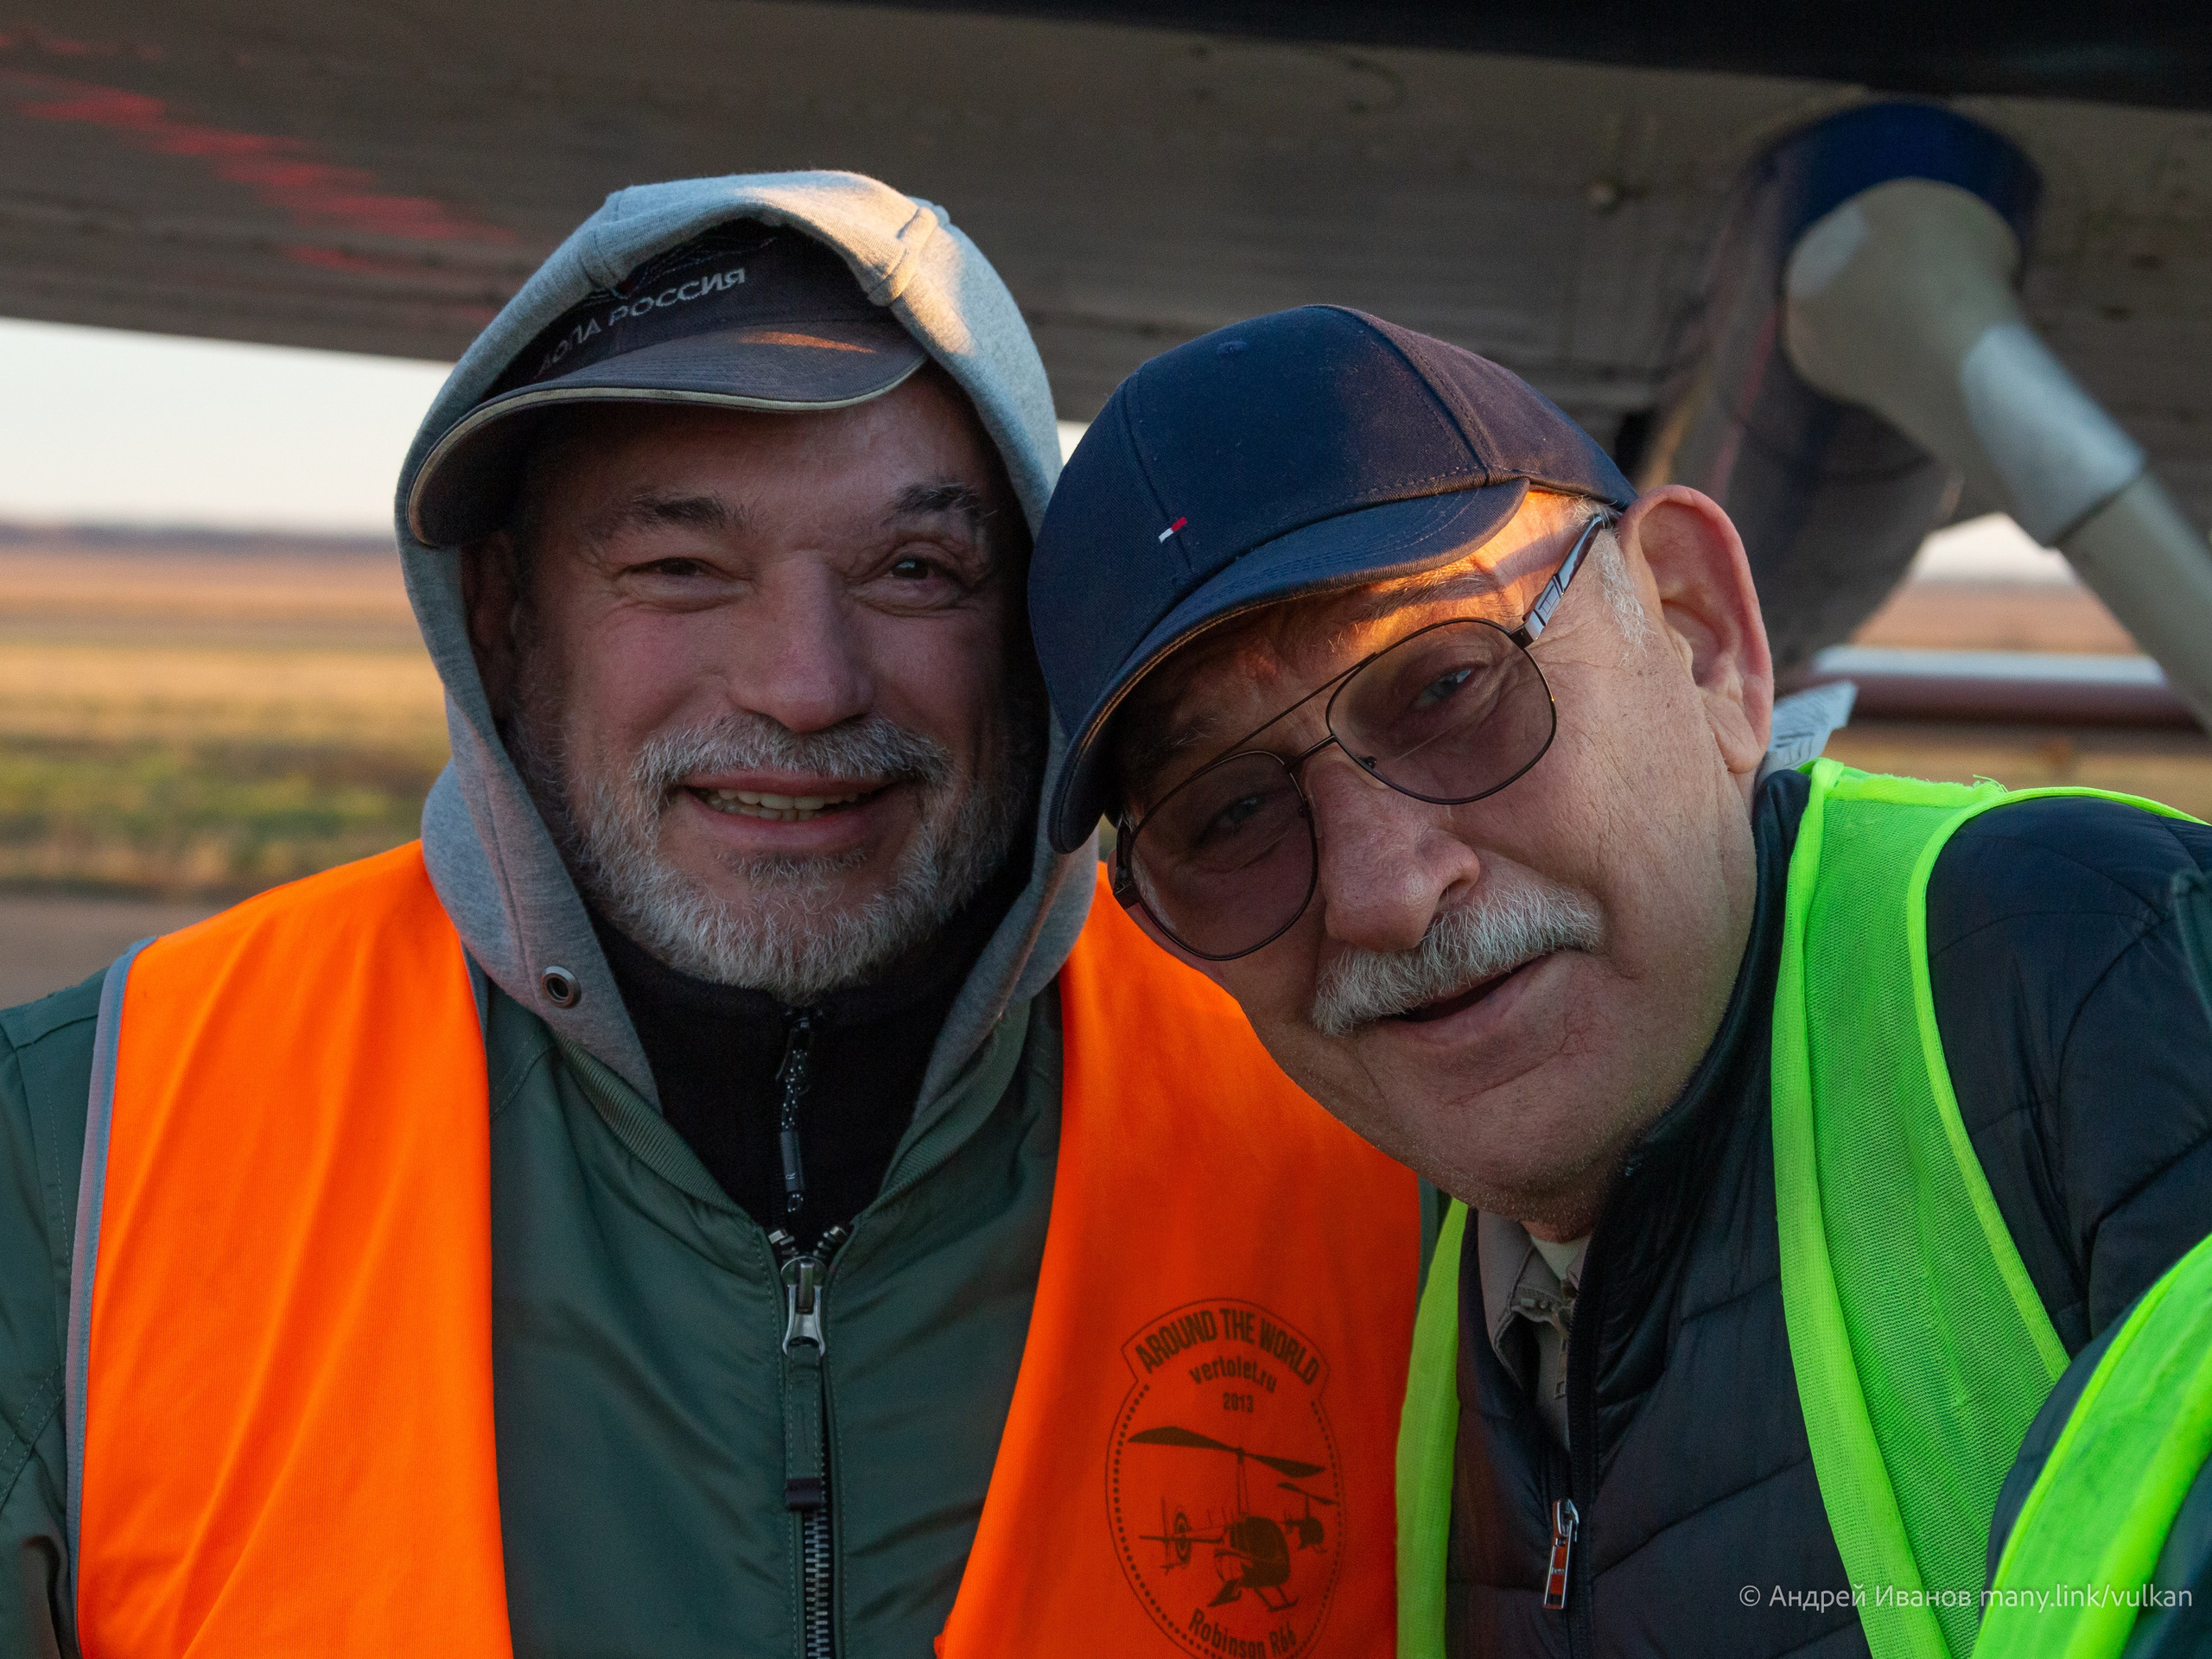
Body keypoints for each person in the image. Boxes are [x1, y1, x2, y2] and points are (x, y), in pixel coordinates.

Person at [0, 180, 1423, 1658]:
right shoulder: (76, 1155)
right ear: (501, 617)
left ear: (1033, 631)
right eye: (679, 569)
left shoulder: (1369, 1108)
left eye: (915, 571)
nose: (806, 684)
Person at [1024, 303, 2212, 1658]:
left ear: (1703, 637)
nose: (1385, 892)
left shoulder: (2091, 965)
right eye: (1226, 816)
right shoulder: (1426, 1296)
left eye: (1450, 688)